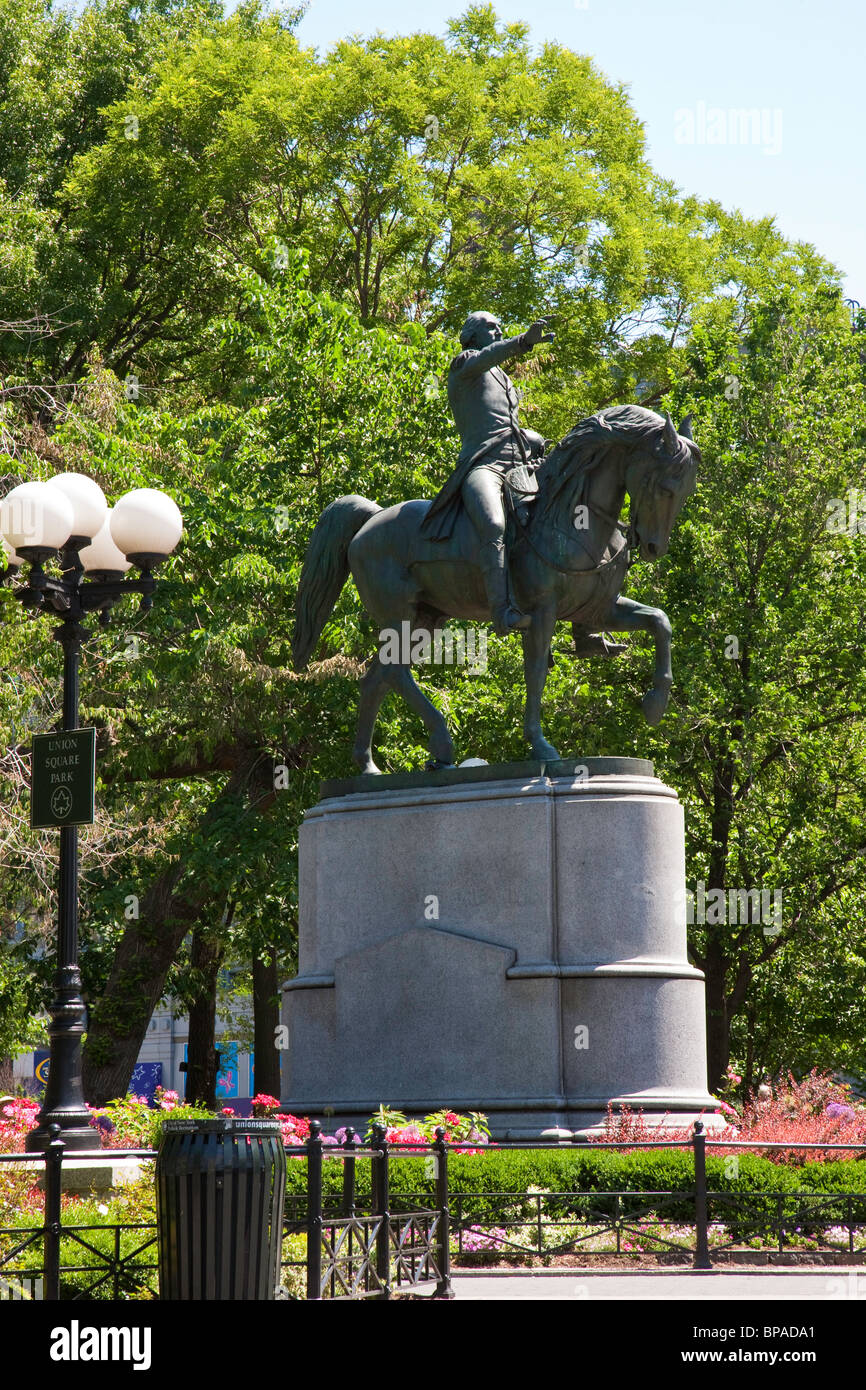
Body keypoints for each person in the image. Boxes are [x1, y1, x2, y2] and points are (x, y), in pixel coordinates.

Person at [420, 310, 554, 635]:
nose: (498, 331)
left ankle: (581, 618)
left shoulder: (503, 379)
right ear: (472, 335)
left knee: (564, 512)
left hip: (519, 467)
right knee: (494, 524)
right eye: (491, 328)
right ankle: (502, 611)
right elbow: (491, 355)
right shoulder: (466, 364)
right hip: (484, 467)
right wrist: (523, 341)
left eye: (500, 327)